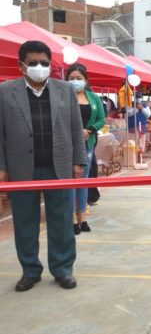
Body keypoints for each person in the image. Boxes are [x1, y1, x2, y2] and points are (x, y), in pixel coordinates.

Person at [0, 41, 86, 291]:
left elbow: (74, 127)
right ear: (21, 65)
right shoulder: (5, 92)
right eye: (34, 62)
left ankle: (62, 269)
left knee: (60, 222)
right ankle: (30, 270)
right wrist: (2, 165)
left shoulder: (65, 90)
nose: (40, 67)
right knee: (25, 222)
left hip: (58, 167)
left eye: (45, 63)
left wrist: (78, 161)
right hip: (21, 169)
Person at [66, 63, 105, 235]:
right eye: (72, 78)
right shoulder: (63, 97)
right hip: (67, 146)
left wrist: (89, 130)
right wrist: (76, 131)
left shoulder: (93, 98)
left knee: (83, 181)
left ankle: (82, 217)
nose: (75, 81)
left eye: (79, 78)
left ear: (85, 80)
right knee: (69, 182)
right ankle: (71, 218)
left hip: (87, 144)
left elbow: (101, 119)